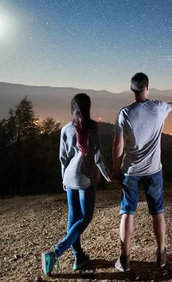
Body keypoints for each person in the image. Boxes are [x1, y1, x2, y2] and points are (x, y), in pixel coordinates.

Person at [112, 72, 172, 272]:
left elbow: (118, 145)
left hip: (130, 172)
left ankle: (125, 259)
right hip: (154, 171)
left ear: (132, 89)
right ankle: (161, 255)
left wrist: (115, 169)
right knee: (158, 213)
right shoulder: (158, 108)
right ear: (147, 87)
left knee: (127, 213)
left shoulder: (125, 113)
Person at [42, 93, 111, 276]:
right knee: (85, 218)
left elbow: (63, 158)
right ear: (88, 108)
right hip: (85, 180)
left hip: (70, 178)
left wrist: (64, 178)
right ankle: (56, 252)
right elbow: (98, 157)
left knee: (74, 218)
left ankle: (79, 257)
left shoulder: (65, 129)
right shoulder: (92, 128)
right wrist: (108, 176)